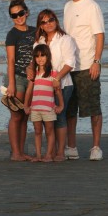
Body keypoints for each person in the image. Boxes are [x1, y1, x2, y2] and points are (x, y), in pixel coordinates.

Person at [57, 0, 105, 161]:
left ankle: (95, 147)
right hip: (69, 66)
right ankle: (72, 147)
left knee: (93, 107)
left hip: (87, 65)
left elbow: (99, 35)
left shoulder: (91, 6)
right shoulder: (67, 6)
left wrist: (96, 61)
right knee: (70, 109)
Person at [33, 9, 76, 162]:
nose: (48, 23)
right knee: (47, 119)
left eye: (51, 20)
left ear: (56, 21)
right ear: (40, 26)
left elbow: (70, 63)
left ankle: (60, 153)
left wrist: (57, 78)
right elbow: (35, 63)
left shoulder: (65, 39)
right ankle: (49, 153)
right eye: (44, 22)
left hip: (63, 83)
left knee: (59, 116)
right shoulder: (39, 42)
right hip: (44, 86)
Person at [3, 0, 37, 161]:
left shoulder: (36, 31)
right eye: (14, 15)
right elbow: (10, 61)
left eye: (21, 13)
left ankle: (21, 152)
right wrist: (11, 84)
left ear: (27, 12)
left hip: (31, 80)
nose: (18, 17)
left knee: (24, 116)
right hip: (16, 78)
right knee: (16, 116)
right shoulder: (12, 34)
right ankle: (16, 153)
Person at [23, 44, 64, 162]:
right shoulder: (33, 74)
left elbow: (58, 91)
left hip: (48, 108)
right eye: (37, 57)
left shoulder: (53, 74)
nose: (40, 59)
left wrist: (61, 105)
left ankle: (48, 155)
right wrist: (26, 105)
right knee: (37, 131)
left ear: (48, 57)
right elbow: (29, 91)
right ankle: (39, 155)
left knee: (50, 131)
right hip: (35, 108)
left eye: (43, 56)